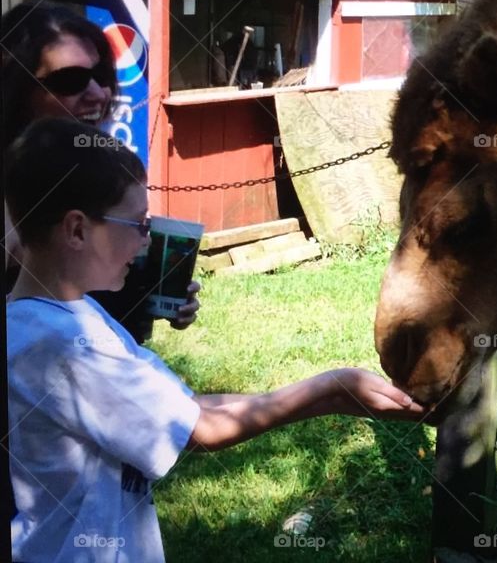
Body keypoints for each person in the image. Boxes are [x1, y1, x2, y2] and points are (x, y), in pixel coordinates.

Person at [5, 118, 426, 563]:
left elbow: (185, 403)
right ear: (76, 230)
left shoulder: (59, 317)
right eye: (138, 224)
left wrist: (334, 397)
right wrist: (333, 389)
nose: (146, 242)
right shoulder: (67, 345)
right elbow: (199, 430)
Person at [1, 1, 199, 341]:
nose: (98, 94)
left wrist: (156, 292)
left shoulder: (95, 167)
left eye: (102, 76)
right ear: (15, 88)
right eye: (70, 80)